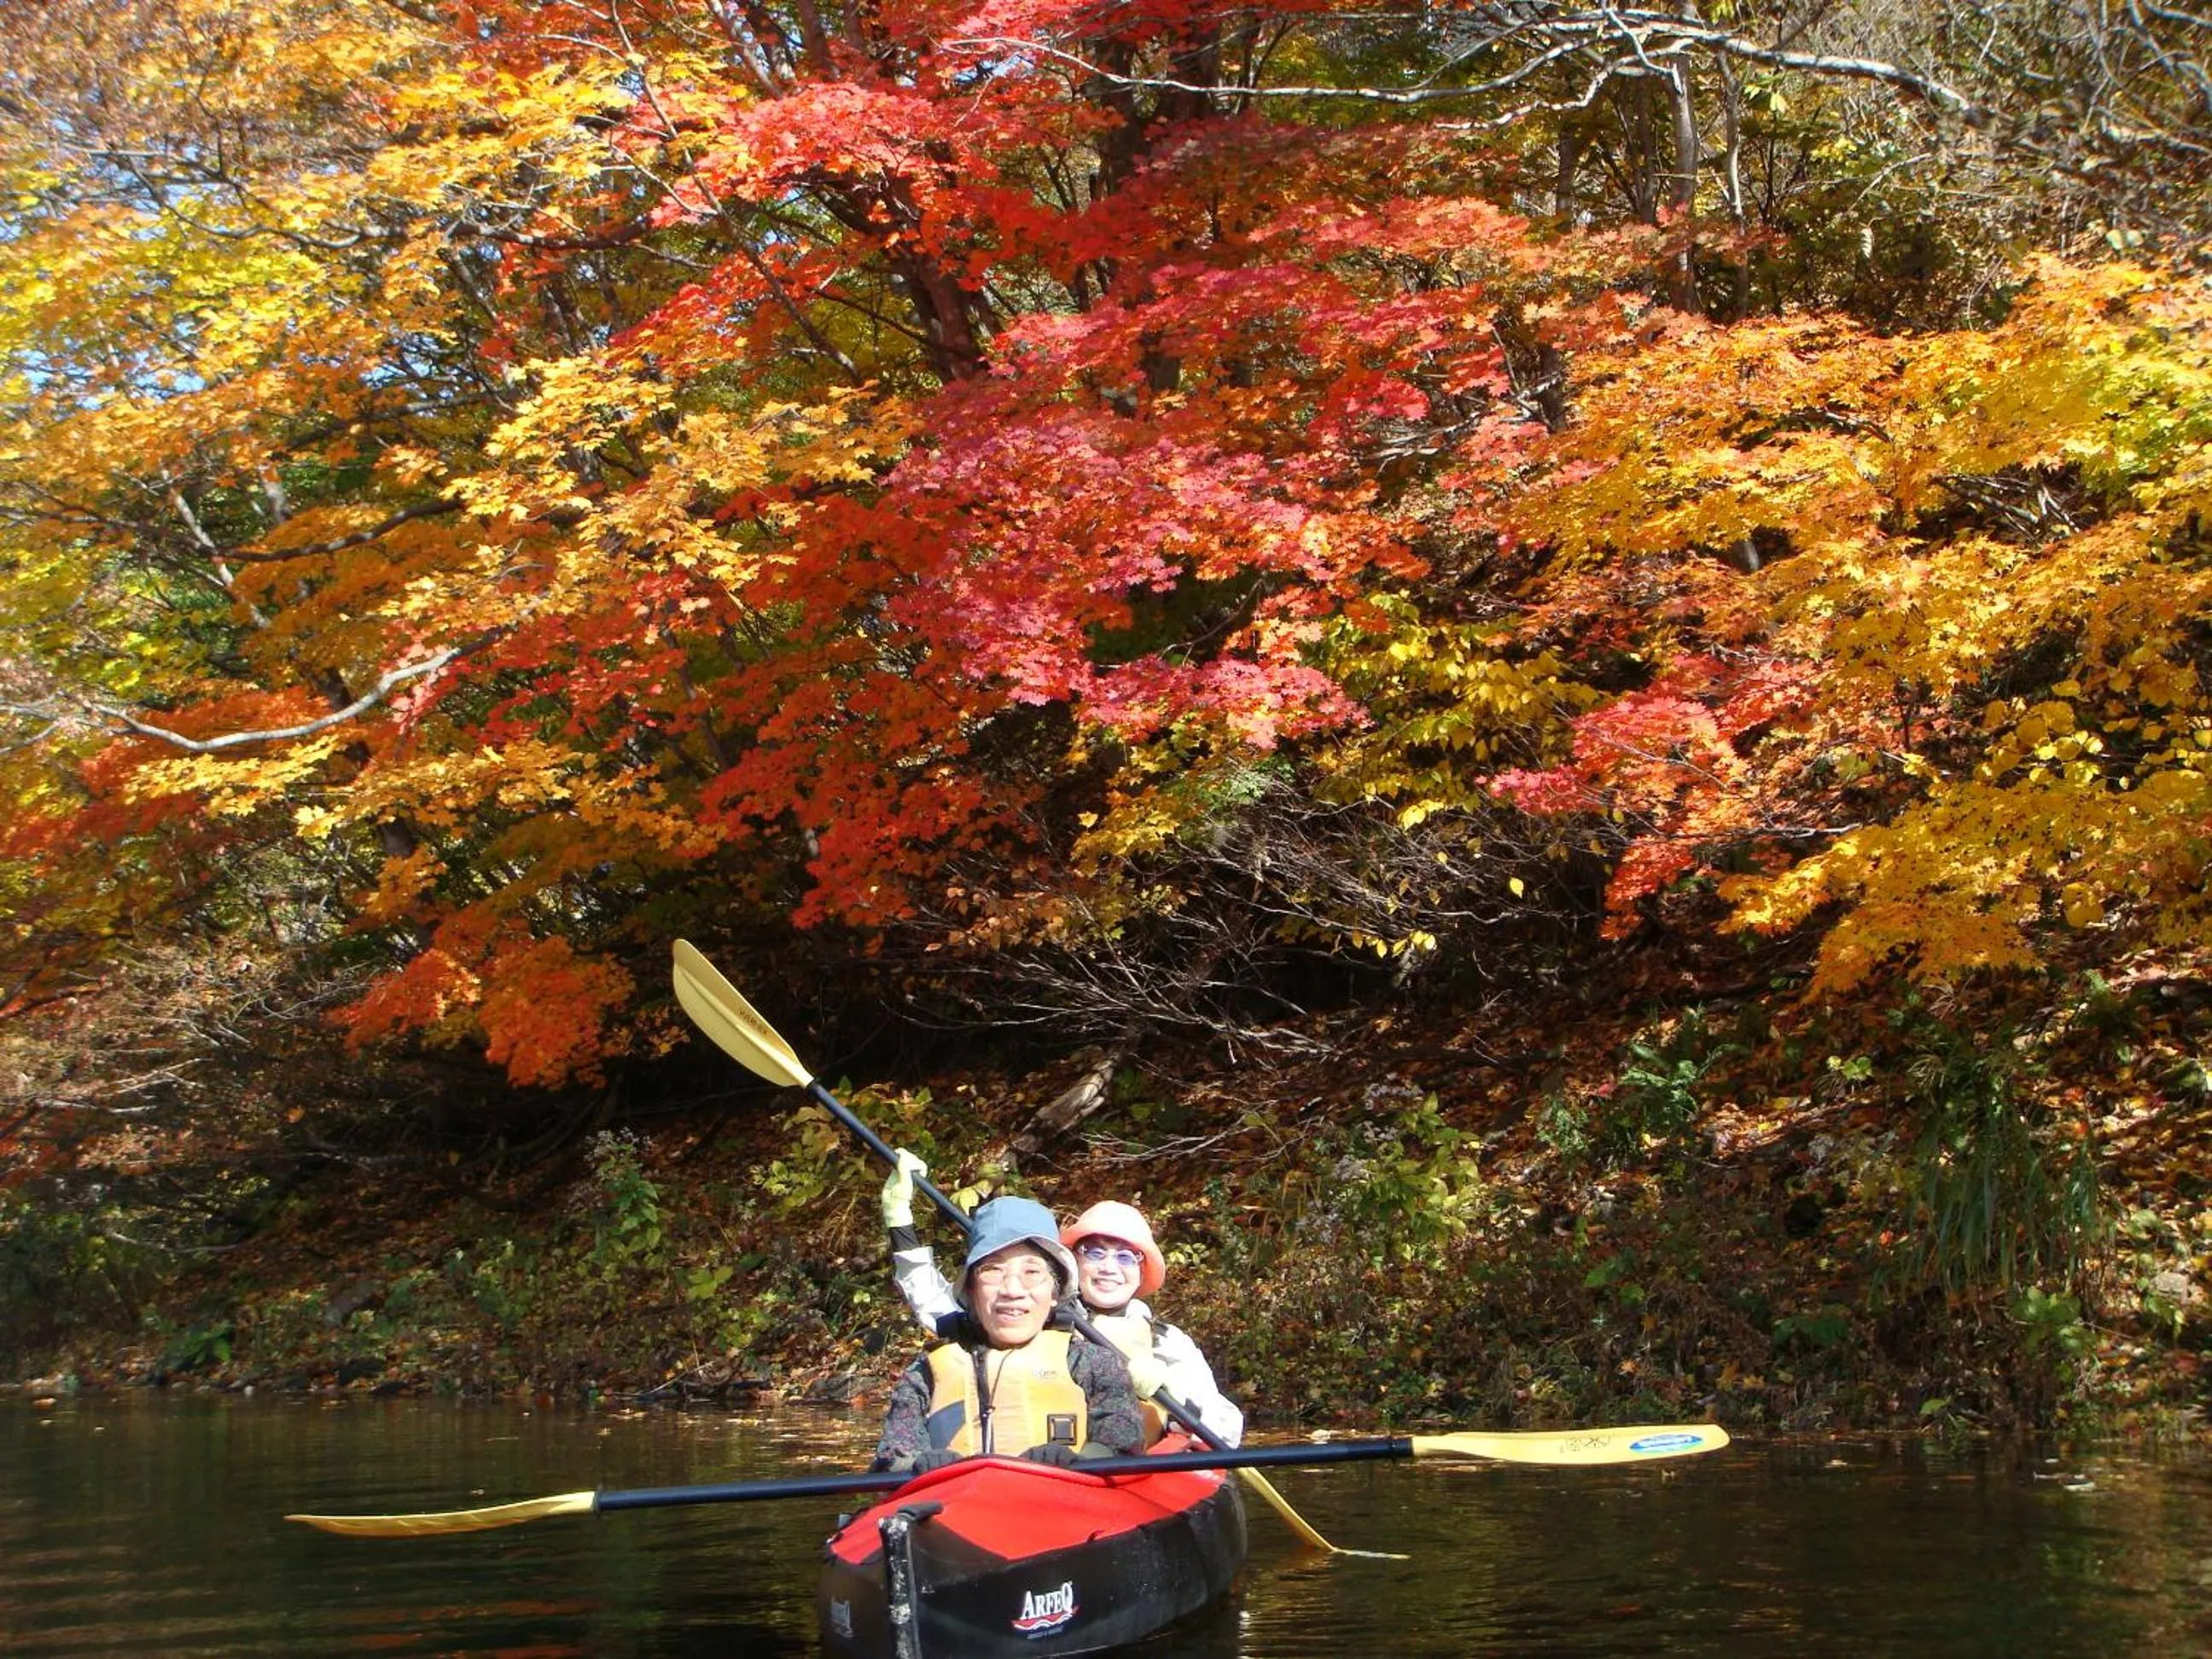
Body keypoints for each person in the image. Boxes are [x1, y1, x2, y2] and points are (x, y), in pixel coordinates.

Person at [880, 1153, 1243, 1447]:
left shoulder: (1167, 1342)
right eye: (1095, 1252)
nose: (1108, 1268)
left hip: (1122, 1476)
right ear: (1072, 1263)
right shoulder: (1034, 1318)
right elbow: (935, 1305)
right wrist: (901, 1223)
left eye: (1125, 1257)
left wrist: (1173, 1395)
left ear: (1142, 1268)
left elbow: (1225, 1429)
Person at [872, 1194, 1144, 1474]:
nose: (1012, 1290)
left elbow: (1122, 1439)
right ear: (971, 1290)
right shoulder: (925, 1371)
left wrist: (1082, 1461)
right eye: (993, 1271)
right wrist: (917, 1465)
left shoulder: (1093, 1363)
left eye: (1032, 1271)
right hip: (955, 1506)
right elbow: (894, 1452)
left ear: (1054, 1292)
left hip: (1068, 1500)